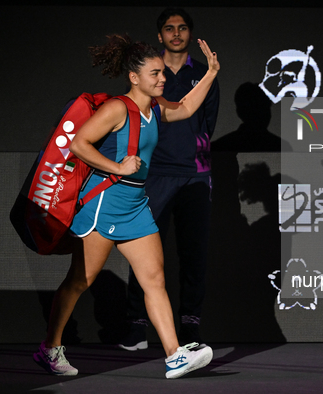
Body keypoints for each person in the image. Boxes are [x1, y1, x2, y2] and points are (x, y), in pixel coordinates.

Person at [32, 32, 220, 379]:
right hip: (103, 206)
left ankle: (174, 355)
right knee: (78, 281)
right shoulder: (118, 108)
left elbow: (189, 108)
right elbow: (78, 144)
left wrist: (210, 73)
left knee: (154, 280)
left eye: (163, 73)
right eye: (155, 74)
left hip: (135, 207)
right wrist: (118, 167)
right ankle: (50, 349)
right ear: (134, 78)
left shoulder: (157, 108)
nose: (163, 78)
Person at [117, 7, 219, 351]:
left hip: (193, 176)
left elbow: (203, 121)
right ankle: (135, 327)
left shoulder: (204, 75)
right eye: (169, 28)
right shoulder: (149, 74)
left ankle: (190, 328)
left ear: (190, 33)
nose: (176, 33)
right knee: (142, 252)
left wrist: (195, 163)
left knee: (193, 256)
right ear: (160, 36)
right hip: (153, 176)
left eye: (182, 28)